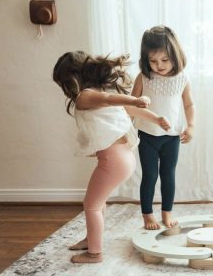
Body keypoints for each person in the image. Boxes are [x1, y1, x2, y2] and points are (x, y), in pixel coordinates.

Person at [53, 51, 170, 263]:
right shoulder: (99, 93)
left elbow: (118, 101)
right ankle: (91, 239)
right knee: (98, 201)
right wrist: (156, 118)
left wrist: (137, 100)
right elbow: (127, 109)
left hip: (113, 160)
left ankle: (94, 253)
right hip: (122, 158)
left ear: (71, 78)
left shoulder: (86, 96)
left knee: (91, 205)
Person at [132, 25, 195, 230]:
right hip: (147, 135)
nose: (159, 65)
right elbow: (131, 105)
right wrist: (126, 134)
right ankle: (147, 214)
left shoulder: (182, 79)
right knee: (150, 175)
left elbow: (189, 104)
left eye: (164, 60)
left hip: (172, 136)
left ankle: (167, 211)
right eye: (153, 60)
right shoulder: (143, 77)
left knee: (168, 174)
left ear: (175, 55)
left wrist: (191, 125)